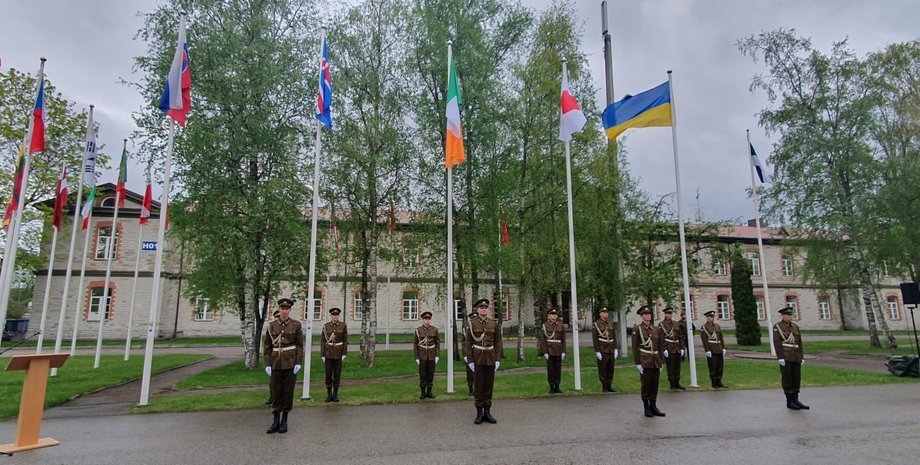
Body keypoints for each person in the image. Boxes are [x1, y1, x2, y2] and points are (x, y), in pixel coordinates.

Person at [262, 298, 303, 434]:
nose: (284, 311)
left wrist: (298, 362)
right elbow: (267, 347)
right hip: (275, 363)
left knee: (287, 392)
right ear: (279, 310)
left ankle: (284, 420)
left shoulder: (296, 325)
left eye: (287, 309)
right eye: (282, 309)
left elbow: (299, 346)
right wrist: (267, 364)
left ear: (290, 310)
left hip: (290, 363)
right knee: (275, 391)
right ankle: (275, 420)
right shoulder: (272, 326)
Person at [463, 298, 503, 425]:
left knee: (489, 386)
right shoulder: (472, 324)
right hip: (477, 358)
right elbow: (468, 343)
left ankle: (488, 412)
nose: (484, 309)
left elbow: (498, 342)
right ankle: (479, 413)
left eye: (486, 308)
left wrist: (497, 359)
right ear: (477, 310)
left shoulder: (493, 323)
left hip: (490, 357)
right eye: (481, 308)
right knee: (479, 386)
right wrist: (470, 361)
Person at [773, 306, 809, 410]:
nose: (790, 317)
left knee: (796, 378)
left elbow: (799, 342)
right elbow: (777, 343)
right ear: (783, 316)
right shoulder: (778, 327)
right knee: (788, 378)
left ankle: (796, 399)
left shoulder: (795, 327)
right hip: (786, 356)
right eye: (788, 315)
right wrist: (780, 357)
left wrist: (801, 356)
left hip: (796, 355)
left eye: (791, 315)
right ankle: (789, 401)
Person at [633, 305, 664, 417]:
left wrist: (661, 362)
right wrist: (637, 363)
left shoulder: (656, 329)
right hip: (645, 360)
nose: (648, 316)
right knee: (646, 385)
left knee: (654, 384)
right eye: (645, 314)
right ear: (641, 316)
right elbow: (635, 347)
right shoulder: (638, 329)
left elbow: (660, 346)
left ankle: (654, 406)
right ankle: (646, 408)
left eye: (649, 314)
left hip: (655, 360)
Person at [321, 307, 348, 402]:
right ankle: (329, 394)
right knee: (328, 375)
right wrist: (323, 354)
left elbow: (345, 340)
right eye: (333, 315)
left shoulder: (343, 326)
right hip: (328, 354)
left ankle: (335, 394)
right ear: (331, 316)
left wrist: (344, 353)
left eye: (336, 315)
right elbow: (323, 341)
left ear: (338, 316)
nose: (335, 317)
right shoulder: (326, 326)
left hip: (338, 353)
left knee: (337, 375)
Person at [538, 306, 566, 393]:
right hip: (549, 350)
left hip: (558, 349)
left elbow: (563, 339)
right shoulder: (545, 325)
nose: (554, 316)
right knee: (551, 369)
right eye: (552, 314)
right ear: (548, 316)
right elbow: (543, 340)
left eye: (555, 315)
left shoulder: (560, 325)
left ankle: (557, 386)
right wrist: (545, 352)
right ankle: (551, 386)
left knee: (558, 369)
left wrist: (563, 351)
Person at [414, 311, 440, 400]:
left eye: (429, 319)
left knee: (431, 373)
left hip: (432, 355)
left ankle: (429, 391)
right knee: (423, 374)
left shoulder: (435, 329)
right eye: (425, 319)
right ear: (423, 320)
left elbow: (437, 343)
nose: (427, 321)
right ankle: (423, 392)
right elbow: (415, 344)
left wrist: (437, 355)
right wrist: (416, 357)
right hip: (422, 355)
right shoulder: (418, 330)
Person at [592, 306, 618, 392]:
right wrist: (597, 351)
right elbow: (595, 339)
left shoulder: (610, 323)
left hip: (611, 348)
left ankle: (610, 384)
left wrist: (616, 348)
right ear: (600, 314)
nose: (605, 314)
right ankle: (604, 385)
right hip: (602, 348)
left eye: (606, 313)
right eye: (603, 313)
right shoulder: (597, 324)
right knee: (603, 368)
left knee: (611, 367)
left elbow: (614, 336)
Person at [658, 307, 685, 390]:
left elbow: (680, 336)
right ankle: (672, 383)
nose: (669, 315)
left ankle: (677, 382)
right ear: (665, 314)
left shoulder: (676, 324)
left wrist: (682, 347)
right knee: (671, 366)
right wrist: (664, 348)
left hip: (677, 347)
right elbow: (661, 338)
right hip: (669, 347)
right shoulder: (661, 325)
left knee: (677, 366)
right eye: (667, 314)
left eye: (670, 314)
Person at [701, 310, 727, 388]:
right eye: (710, 317)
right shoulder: (704, 327)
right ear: (707, 318)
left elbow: (721, 337)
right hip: (711, 349)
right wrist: (707, 350)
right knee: (713, 366)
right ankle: (714, 382)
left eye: (713, 317)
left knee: (720, 366)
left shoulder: (717, 326)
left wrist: (723, 347)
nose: (712, 318)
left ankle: (719, 381)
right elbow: (704, 339)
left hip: (719, 348)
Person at [265, 308, 281, 405]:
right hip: (274, 357)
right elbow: (267, 346)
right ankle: (272, 397)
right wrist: (267, 363)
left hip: (285, 357)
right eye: (276, 317)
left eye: (279, 317)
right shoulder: (271, 329)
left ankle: (281, 397)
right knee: (273, 380)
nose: (278, 319)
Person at [463, 309, 476, 396]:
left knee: (478, 372)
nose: (473, 320)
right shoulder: (466, 328)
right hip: (469, 353)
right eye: (472, 319)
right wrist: (465, 354)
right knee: (470, 372)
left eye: (475, 318)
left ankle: (478, 389)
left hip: (479, 353)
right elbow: (464, 342)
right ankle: (471, 389)